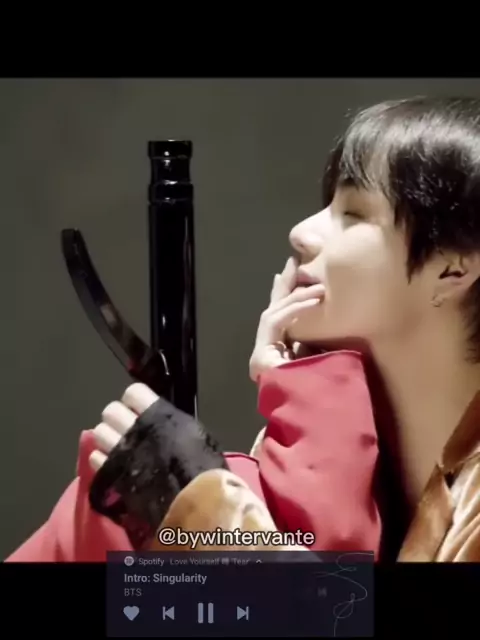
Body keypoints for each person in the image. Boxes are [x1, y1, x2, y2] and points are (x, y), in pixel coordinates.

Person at [7, 95, 480, 562]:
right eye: (329, 205)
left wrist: (199, 506)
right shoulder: (334, 443)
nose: (301, 233)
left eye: (354, 214)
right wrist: (303, 383)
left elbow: (330, 599)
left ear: (452, 268)